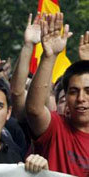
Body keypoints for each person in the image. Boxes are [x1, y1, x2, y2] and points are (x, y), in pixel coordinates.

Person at [25, 13, 89, 176]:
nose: (81, 98)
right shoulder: (56, 128)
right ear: (65, 97)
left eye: (88, 91)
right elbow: (34, 110)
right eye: (74, 92)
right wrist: (50, 56)